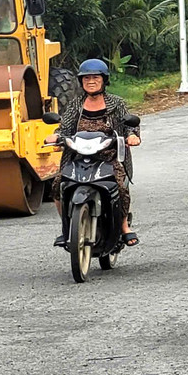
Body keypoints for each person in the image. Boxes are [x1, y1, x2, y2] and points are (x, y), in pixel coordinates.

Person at [45, 58, 141, 248]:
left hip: (109, 156)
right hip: (78, 156)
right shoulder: (76, 105)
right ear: (81, 81)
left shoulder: (117, 103)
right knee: (57, 186)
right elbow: (64, 128)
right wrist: (56, 137)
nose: (91, 81)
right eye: (86, 78)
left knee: (119, 187)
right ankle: (67, 228)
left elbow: (129, 126)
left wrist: (132, 137)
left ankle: (123, 228)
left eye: (95, 77)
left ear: (104, 80)